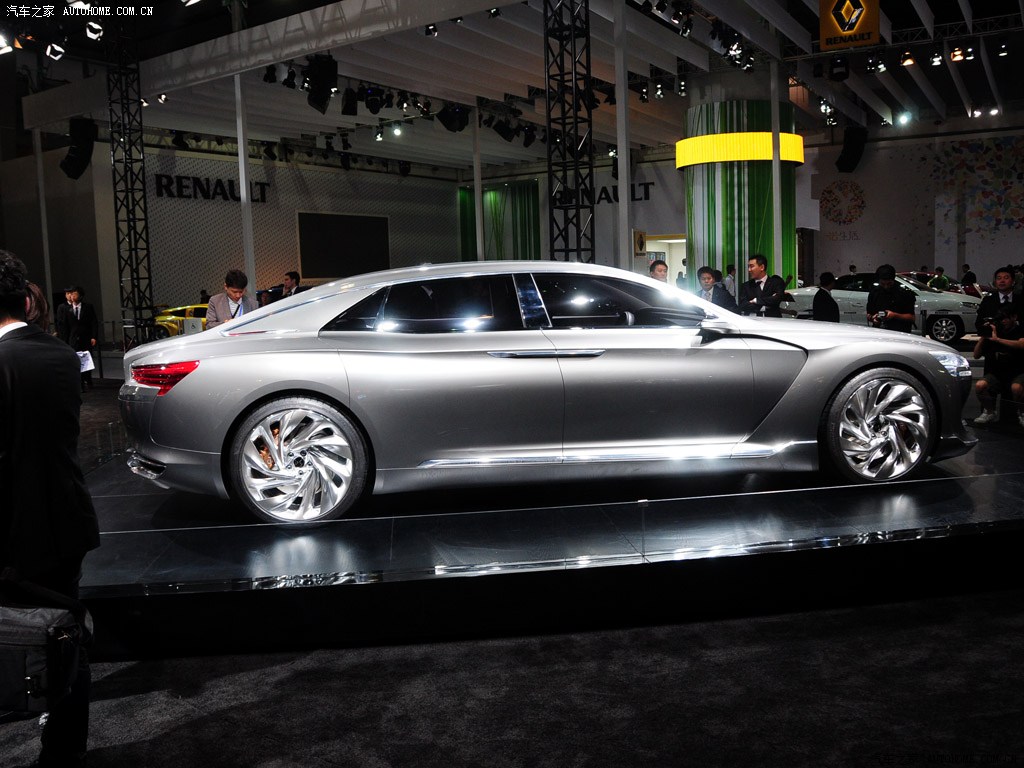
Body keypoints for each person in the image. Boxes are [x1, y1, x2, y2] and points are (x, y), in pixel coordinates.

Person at [0, 251, 100, 768]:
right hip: (64, 518)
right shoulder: (61, 355)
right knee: (66, 639)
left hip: (10, 531)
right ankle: (65, 751)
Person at [972, 306, 1024, 427]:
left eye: (1006, 318)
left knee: (1017, 388)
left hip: (1017, 372)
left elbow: (1021, 344)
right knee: (980, 386)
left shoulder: (1020, 329)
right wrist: (984, 336)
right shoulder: (996, 331)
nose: (1003, 321)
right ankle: (990, 412)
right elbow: (976, 355)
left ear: (1014, 317)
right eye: (1002, 319)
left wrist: (998, 340)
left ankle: (1022, 413)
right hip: (997, 373)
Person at [54, 285, 99, 391]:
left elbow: (93, 322)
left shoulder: (88, 307)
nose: (72, 296)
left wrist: (94, 336)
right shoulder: (66, 308)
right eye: (70, 294)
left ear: (80, 296)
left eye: (75, 294)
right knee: (75, 360)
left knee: (86, 359)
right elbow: (63, 325)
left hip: (85, 337)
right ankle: (80, 383)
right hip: (72, 338)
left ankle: (88, 379)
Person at [866, 264, 916, 333]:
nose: (886, 287)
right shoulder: (874, 293)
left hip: (900, 332)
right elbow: (869, 314)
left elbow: (912, 318)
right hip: (879, 332)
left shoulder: (904, 294)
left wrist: (894, 315)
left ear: (893, 279)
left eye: (889, 284)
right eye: (882, 284)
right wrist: (873, 318)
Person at [975, 266, 1022, 335]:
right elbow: (979, 323)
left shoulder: (1021, 300)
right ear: (995, 282)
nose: (1002, 281)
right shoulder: (988, 301)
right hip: (993, 338)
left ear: (1013, 282)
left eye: (1006, 278)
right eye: (999, 278)